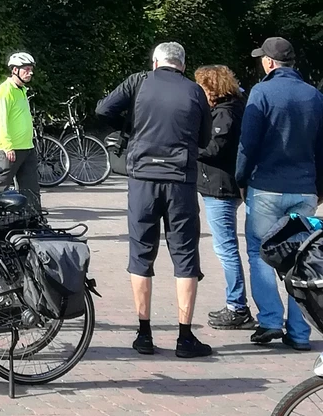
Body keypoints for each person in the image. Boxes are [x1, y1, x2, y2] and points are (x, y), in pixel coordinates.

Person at [96, 42, 212, 358]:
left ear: (155, 61)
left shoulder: (138, 81)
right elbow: (204, 139)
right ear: (183, 65)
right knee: (186, 255)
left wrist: (130, 127)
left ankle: (144, 334)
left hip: (143, 179)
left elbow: (103, 109)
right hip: (180, 182)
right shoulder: (195, 91)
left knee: (141, 252)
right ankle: (185, 338)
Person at [237, 37, 323, 350]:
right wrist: (320, 186)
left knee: (260, 251)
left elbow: (249, 141)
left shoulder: (261, 92)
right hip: (304, 186)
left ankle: (270, 320)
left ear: (270, 63)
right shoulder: (314, 95)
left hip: (266, 185)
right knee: (301, 258)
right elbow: (322, 147)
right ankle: (300, 332)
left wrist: (241, 178)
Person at [193, 65, 252, 331]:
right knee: (226, 246)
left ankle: (237, 305)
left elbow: (215, 148)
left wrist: (188, 145)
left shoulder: (225, 113)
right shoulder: (233, 108)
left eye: (202, 88)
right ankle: (235, 303)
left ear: (212, 88)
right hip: (222, 185)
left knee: (225, 247)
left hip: (220, 187)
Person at [0, 52, 40, 211]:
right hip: (11, 149)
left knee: (31, 189)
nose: (30, 73)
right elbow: (1, 120)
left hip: (27, 147)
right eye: (26, 69)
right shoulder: (5, 90)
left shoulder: (22, 90)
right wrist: (7, 145)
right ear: (15, 70)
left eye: (31, 70)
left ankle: (34, 221)